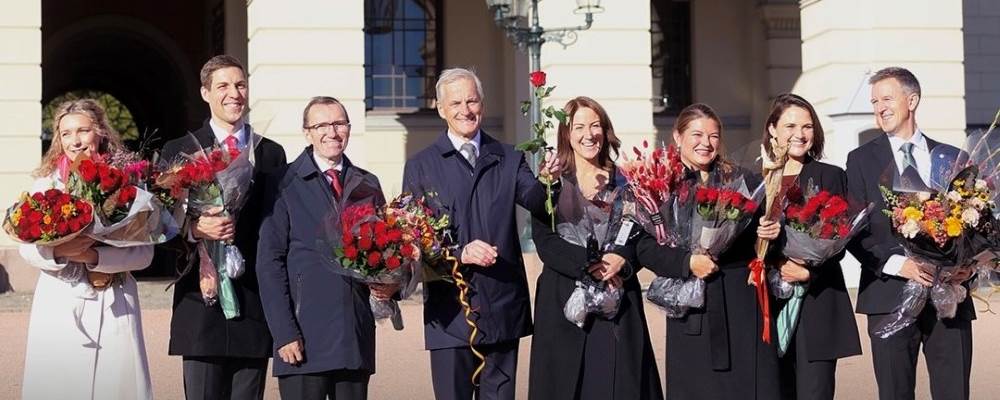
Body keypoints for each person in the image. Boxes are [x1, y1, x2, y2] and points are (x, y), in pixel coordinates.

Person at [401, 67, 561, 400]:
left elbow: (536, 202)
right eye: (456, 102)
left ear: (482, 105)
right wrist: (460, 253)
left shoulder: (509, 156)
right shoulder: (421, 165)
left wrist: (549, 182)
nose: (465, 110)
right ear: (442, 109)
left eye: (472, 101)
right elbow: (415, 238)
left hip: (502, 303)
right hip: (450, 312)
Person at [160, 54, 287, 400]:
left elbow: (278, 229)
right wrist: (195, 229)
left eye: (241, 84)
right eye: (224, 86)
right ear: (205, 93)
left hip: (253, 304)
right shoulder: (178, 151)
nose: (235, 93)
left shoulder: (272, 154)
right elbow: (155, 231)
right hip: (200, 304)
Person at [637, 103, 781, 399]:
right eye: (697, 134)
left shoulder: (743, 181)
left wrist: (768, 233)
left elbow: (763, 237)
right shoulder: (661, 185)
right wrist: (687, 261)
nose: (706, 143)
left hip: (739, 301)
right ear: (677, 137)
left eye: (714, 136)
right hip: (691, 306)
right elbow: (645, 246)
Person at [257, 96, 397, 400]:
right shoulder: (283, 183)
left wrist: (390, 285)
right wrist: (284, 332)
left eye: (339, 123)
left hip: (354, 337)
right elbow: (269, 262)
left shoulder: (367, 183)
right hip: (303, 338)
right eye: (321, 125)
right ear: (307, 132)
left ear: (348, 128)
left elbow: (388, 251)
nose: (332, 132)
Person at [846, 66, 972, 400]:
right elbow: (853, 231)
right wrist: (897, 265)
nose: (879, 108)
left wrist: (968, 268)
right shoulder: (859, 160)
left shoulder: (952, 157)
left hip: (950, 297)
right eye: (874, 102)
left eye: (886, 99)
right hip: (889, 296)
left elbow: (978, 222)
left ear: (911, 100)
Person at [527, 96, 663, 400]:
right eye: (579, 127)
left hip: (616, 299)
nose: (589, 134)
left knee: (614, 384)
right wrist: (591, 263)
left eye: (595, 125)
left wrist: (621, 261)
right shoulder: (552, 182)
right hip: (562, 301)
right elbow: (544, 242)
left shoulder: (626, 181)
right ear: (567, 134)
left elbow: (641, 237)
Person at [19, 99, 153, 399]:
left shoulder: (128, 185)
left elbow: (145, 255)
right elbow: (25, 249)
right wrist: (60, 251)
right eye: (66, 133)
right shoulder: (44, 186)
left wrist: (93, 256)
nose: (75, 141)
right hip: (60, 300)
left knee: (116, 387)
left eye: (83, 131)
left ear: (101, 133)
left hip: (115, 302)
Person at [760, 93, 861, 399]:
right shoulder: (756, 179)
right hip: (767, 305)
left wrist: (808, 272)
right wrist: (775, 262)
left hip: (816, 302)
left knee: (814, 391)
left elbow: (839, 239)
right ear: (773, 129)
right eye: (790, 125)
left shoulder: (830, 176)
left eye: (807, 126)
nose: (800, 134)